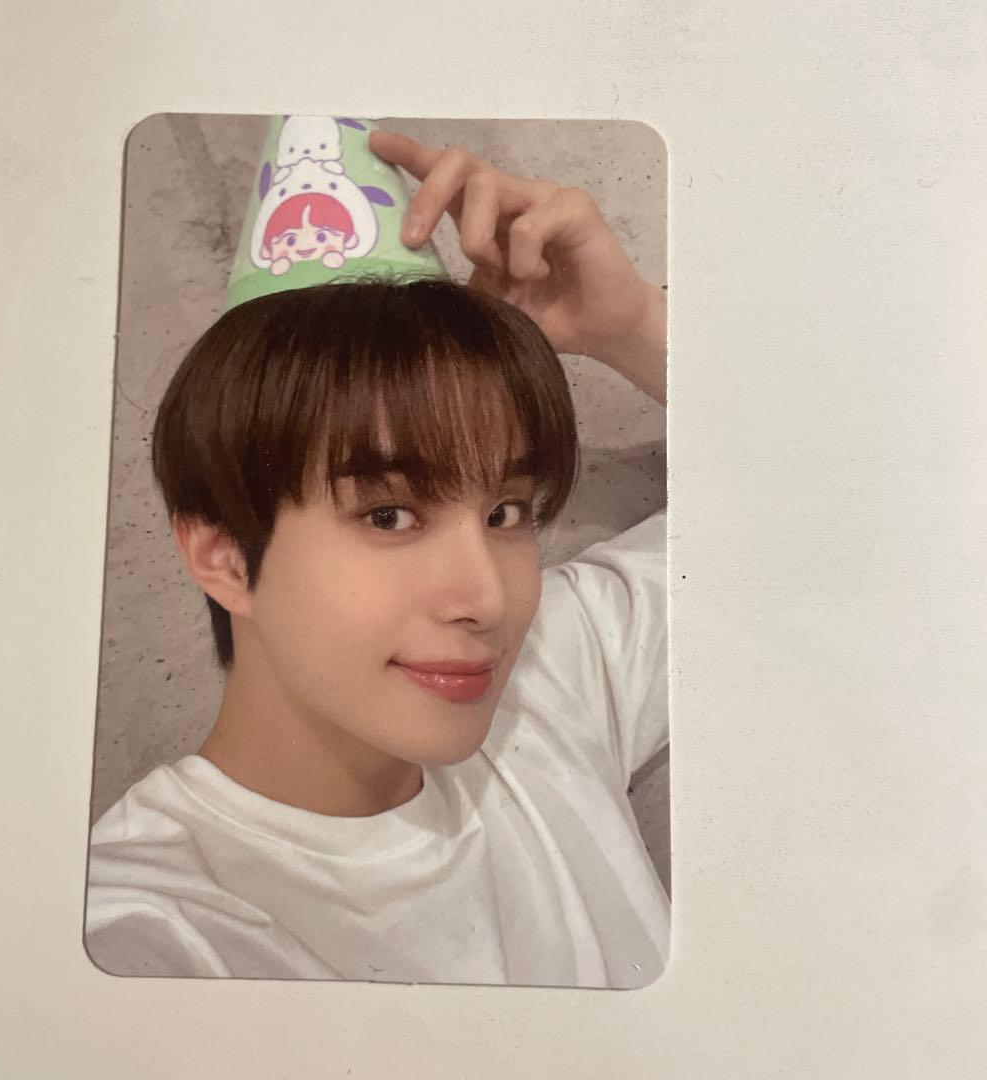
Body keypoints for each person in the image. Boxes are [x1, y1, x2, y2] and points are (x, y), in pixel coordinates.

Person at [84, 130, 669, 988]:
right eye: (389, 515)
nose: (488, 599)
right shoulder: (145, 932)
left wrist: (637, 326)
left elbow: (833, 508)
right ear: (224, 556)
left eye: (505, 512)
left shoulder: (552, 682)